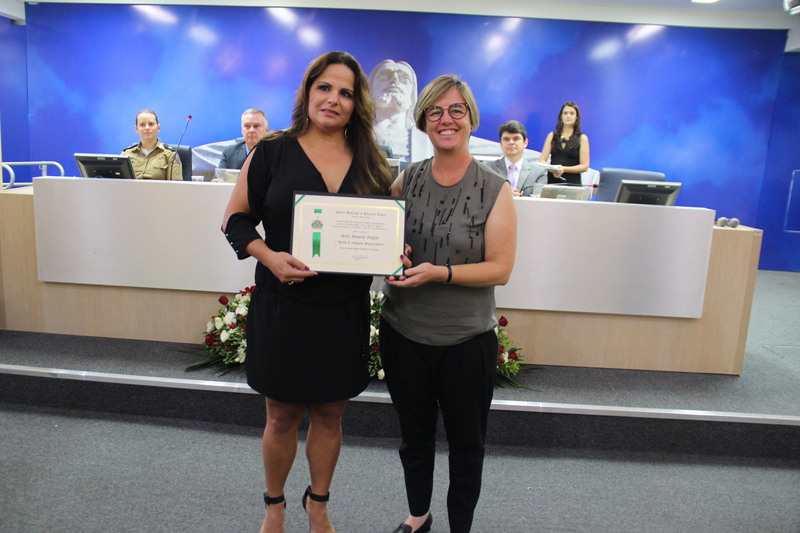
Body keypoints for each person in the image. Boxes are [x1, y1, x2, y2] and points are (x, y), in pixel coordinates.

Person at [221, 51, 392, 533]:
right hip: (285, 307)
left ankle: (318, 504)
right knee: (280, 415)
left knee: (330, 413)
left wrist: (392, 249)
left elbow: (383, 231)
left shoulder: (372, 163)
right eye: (325, 88)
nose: (333, 99)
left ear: (356, 104)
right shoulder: (271, 151)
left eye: (345, 93)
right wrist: (270, 258)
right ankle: (274, 506)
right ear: (308, 92)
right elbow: (235, 221)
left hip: (343, 311)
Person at [380, 75, 517, 533]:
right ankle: (418, 516)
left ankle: (460, 527)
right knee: (413, 438)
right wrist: (391, 254)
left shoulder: (494, 188)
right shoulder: (408, 179)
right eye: (435, 111)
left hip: (466, 341)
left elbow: (500, 268)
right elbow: (384, 238)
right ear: (423, 121)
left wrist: (441, 272)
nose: (446, 119)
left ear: (471, 118)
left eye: (456, 110)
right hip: (404, 334)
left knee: (466, 446)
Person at [489, 120, 547, 197]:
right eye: (506, 139)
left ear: (525, 143)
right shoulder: (488, 169)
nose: (511, 142)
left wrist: (518, 198)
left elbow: (538, 199)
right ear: (500, 144)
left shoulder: (538, 172)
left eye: (516, 139)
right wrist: (504, 196)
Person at [538, 101, 590, 185]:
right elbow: (542, 160)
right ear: (561, 116)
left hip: (573, 183)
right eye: (565, 113)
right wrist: (553, 169)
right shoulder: (552, 136)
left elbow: (584, 166)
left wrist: (563, 169)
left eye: (572, 113)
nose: (568, 116)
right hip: (553, 182)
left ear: (576, 117)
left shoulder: (582, 138)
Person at [121, 109, 182, 180]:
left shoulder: (170, 155)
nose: (147, 128)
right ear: (136, 129)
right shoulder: (126, 154)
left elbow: (175, 185)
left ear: (158, 128)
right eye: (142, 125)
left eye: (151, 124)